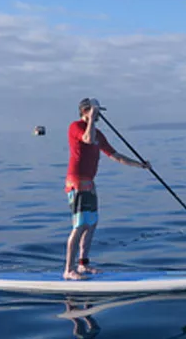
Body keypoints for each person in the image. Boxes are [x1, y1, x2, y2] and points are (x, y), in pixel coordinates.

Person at [64, 98, 150, 280]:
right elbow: (87, 139)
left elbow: (116, 155)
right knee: (79, 225)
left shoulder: (99, 134)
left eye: (99, 112)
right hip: (76, 182)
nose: (99, 115)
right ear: (85, 111)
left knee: (92, 223)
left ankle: (83, 265)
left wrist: (140, 165)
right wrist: (91, 115)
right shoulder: (76, 126)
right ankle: (68, 270)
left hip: (89, 183)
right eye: (96, 111)